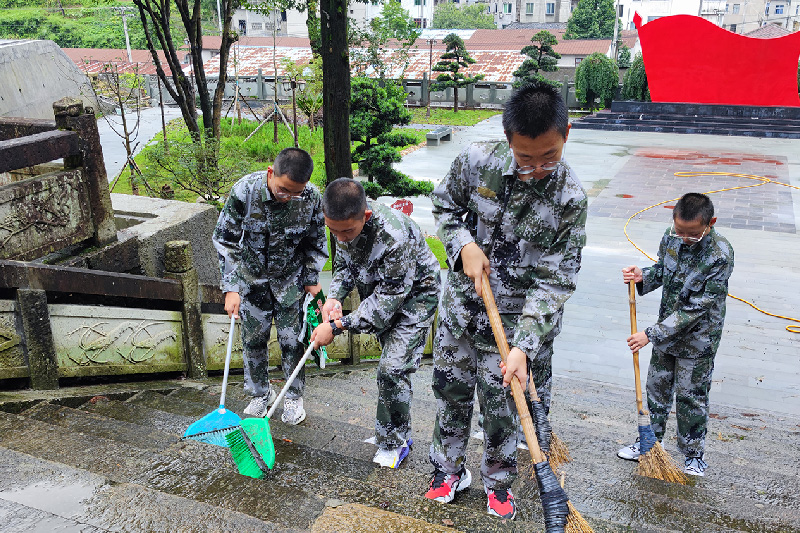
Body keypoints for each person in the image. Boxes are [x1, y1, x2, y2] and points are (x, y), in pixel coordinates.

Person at [425, 81, 587, 520]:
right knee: (450, 393)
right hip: (461, 311)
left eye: (548, 157)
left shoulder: (570, 199)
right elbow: (443, 205)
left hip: (517, 326)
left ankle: (498, 482)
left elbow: (556, 280)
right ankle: (447, 470)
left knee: (502, 411)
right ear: (507, 137)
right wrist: (462, 244)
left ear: (566, 134)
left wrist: (523, 347)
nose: (536, 169)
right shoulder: (478, 161)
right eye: (526, 159)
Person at [310, 178, 440, 469]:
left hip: (416, 297)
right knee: (391, 369)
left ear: (365, 216)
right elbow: (343, 264)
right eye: (334, 231)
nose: (340, 237)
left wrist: (336, 326)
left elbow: (383, 307)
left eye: (347, 231)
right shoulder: (341, 224)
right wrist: (334, 297)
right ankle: (391, 430)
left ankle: (396, 441)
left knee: (393, 369)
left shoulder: (395, 236)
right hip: (380, 292)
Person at [617, 192, 734, 477]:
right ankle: (649, 444)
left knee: (691, 395)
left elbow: (696, 308)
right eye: (679, 230)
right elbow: (662, 271)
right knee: (657, 389)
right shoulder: (671, 236)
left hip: (698, 338)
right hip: (665, 333)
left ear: (710, 223)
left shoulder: (720, 254)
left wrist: (650, 334)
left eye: (691, 234)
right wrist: (643, 275)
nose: (683, 238)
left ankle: (693, 454)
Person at [212, 147, 327, 424]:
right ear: (270, 173)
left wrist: (312, 280)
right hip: (252, 281)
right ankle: (259, 394)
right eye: (283, 190)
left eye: (295, 192)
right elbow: (226, 240)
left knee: (292, 341)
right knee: (253, 340)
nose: (289, 197)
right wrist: (231, 288)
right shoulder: (244, 192)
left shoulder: (310, 197)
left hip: (290, 280)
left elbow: (316, 241)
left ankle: (293, 396)